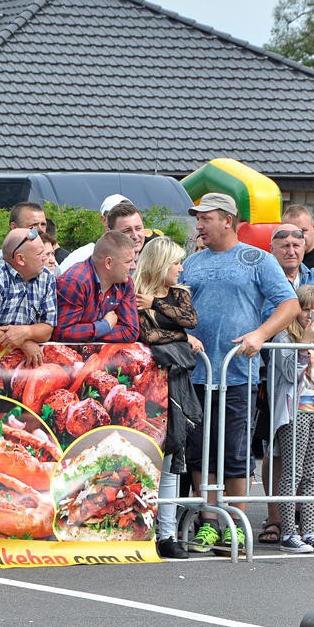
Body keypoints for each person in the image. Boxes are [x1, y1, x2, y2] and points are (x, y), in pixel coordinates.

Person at [181, 193, 298, 553]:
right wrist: (182, 334)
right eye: (198, 219)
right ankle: (209, 523)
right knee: (201, 452)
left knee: (235, 451)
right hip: (197, 372)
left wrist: (261, 334)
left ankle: (237, 524)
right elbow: (175, 307)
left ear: (228, 220)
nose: (199, 225)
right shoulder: (191, 263)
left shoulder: (257, 259)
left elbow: (290, 304)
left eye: (206, 218)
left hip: (238, 371)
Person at [132, 236, 204, 559]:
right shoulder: (135, 292)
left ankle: (167, 533)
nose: (181, 268)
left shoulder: (178, 294)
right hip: (146, 387)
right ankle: (140, 529)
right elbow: (145, 335)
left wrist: (158, 307)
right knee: (147, 457)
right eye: (176, 262)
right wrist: (180, 336)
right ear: (161, 264)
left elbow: (189, 320)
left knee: (173, 458)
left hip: (176, 382)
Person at [267, 285, 314, 554]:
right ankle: (288, 532)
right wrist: (305, 344)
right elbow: (287, 372)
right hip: (295, 411)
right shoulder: (285, 338)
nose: (309, 315)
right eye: (304, 308)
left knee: (312, 473)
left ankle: (308, 530)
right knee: (292, 472)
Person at [0, 228, 56, 367]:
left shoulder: (47, 277)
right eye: (40, 253)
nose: (46, 258)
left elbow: (47, 329)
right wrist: (24, 343)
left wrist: (26, 332)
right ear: (20, 259)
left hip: (24, 369)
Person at [53, 231, 139, 343]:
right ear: (108, 263)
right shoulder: (76, 281)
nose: (134, 266)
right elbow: (61, 332)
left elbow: (131, 331)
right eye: (128, 262)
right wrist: (105, 326)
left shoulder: (125, 282)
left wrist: (86, 333)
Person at [268, 224, 314, 318]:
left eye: (296, 245)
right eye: (285, 246)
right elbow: (266, 315)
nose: (291, 252)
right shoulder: (264, 279)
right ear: (271, 249)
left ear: (304, 248)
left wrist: (285, 310)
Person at [57, 200, 147, 275]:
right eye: (127, 231)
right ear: (110, 232)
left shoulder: (152, 262)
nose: (135, 236)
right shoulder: (85, 259)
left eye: (138, 228)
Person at [0, 202, 50, 267]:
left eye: (43, 224)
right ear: (14, 227)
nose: (41, 230)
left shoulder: (50, 262)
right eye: (34, 225)